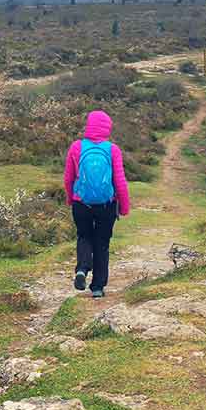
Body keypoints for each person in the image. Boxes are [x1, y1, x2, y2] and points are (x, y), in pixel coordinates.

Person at [63, 109, 130, 297]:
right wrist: (124, 206)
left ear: (88, 126)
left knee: (84, 236)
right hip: (106, 205)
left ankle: (82, 270)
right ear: (107, 128)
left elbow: (68, 178)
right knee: (102, 243)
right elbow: (120, 181)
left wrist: (71, 198)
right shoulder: (113, 150)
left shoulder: (76, 147)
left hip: (81, 204)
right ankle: (98, 287)